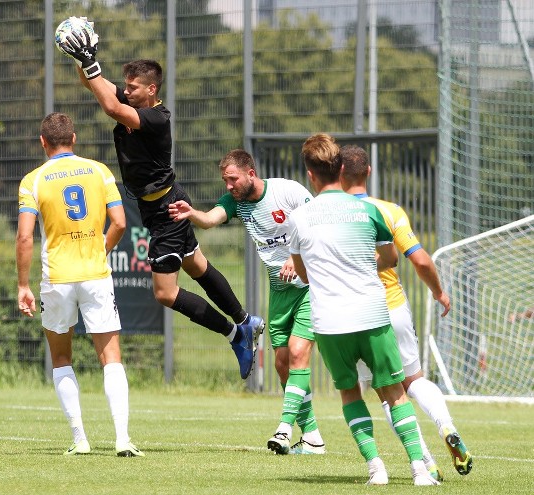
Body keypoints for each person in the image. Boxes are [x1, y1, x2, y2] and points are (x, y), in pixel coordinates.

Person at [58, 24, 265, 380]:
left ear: (151, 90)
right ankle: (246, 321)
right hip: (165, 202)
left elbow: (110, 107)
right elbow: (98, 86)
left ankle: (235, 334)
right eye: (127, 86)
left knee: (165, 293)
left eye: (134, 87)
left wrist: (91, 61)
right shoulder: (132, 98)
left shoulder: (156, 117)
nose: (127, 91)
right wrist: (82, 58)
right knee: (198, 267)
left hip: (165, 210)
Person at [289, 133, 438, 486]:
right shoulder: (367, 210)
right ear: (341, 169)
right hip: (372, 314)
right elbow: (390, 259)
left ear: (310, 174)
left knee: (350, 391)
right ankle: (419, 470)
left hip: (329, 321)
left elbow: (303, 272)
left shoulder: (299, 218)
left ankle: (376, 469)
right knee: (394, 391)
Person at [167, 149, 326, 455]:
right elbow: (212, 219)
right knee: (281, 364)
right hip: (279, 293)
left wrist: (299, 259)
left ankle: (283, 429)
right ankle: (313, 438)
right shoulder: (237, 203)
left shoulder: (288, 191)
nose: (228, 186)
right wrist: (192, 213)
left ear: (250, 173)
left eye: (232, 179)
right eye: (225, 181)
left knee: (296, 353)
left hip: (310, 286)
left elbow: (318, 226)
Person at [340, 144, 472, 478]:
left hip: (357, 312)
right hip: (394, 306)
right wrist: (439, 293)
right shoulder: (389, 210)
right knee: (414, 380)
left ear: (338, 174)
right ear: (368, 172)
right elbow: (421, 259)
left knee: (387, 392)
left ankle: (426, 460)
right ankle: (446, 426)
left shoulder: (331, 212)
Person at [16, 112, 142, 457]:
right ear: (74, 139)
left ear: (43, 143)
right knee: (111, 356)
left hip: (57, 277)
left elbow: (25, 237)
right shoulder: (99, 171)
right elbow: (118, 222)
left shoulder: (33, 180)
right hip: (95, 274)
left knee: (61, 357)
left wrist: (23, 285)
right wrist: (99, 249)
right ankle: (122, 438)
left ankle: (80, 439)